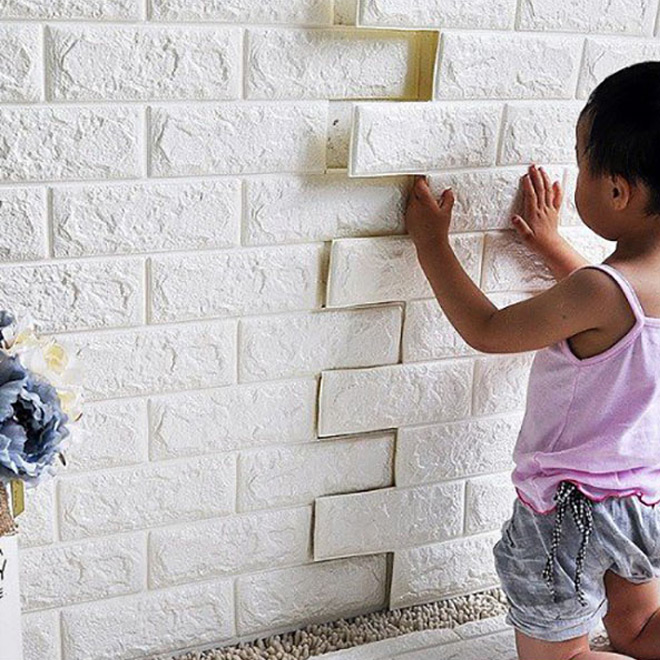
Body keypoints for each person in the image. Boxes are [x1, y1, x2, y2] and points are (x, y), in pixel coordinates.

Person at [404, 61, 660, 660]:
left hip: (568, 516)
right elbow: (614, 316)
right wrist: (549, 243)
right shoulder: (618, 293)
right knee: (640, 626)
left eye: (582, 162)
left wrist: (432, 244)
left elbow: (489, 330)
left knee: (562, 657)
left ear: (617, 191)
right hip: (646, 501)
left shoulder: (599, 291)